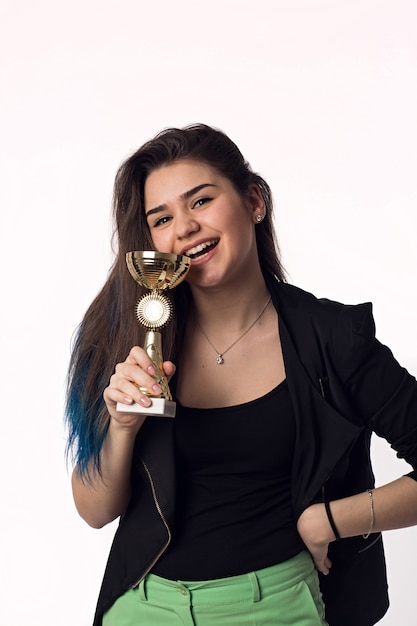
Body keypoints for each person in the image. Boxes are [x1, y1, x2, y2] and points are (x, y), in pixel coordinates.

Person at [66, 123, 417, 626]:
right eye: (161, 218)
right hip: (144, 607)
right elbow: (95, 511)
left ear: (254, 201)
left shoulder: (334, 339)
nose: (183, 228)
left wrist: (331, 520)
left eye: (201, 201)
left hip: (278, 605)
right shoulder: (127, 332)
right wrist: (121, 428)